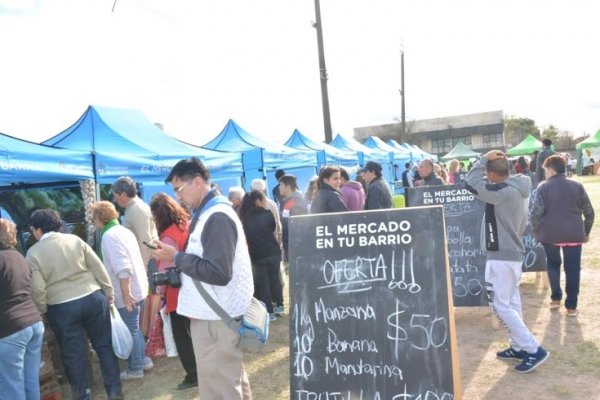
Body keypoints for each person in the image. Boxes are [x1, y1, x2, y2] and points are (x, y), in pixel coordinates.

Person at [150, 157, 254, 400]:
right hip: (215, 314)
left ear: (197, 182)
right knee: (229, 381)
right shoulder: (210, 212)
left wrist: (176, 257)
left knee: (220, 388)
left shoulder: (216, 216)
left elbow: (218, 272)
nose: (177, 196)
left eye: (178, 189)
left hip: (215, 317)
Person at [465, 150, 549, 373]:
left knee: (499, 304)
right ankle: (519, 346)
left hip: (501, 256)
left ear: (492, 175)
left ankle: (533, 349)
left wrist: (483, 157)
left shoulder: (501, 192)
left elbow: (470, 183)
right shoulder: (518, 185)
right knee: (511, 302)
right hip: (510, 255)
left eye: (487, 173)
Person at [26, 209, 123, 400]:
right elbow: (98, 267)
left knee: (73, 354)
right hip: (92, 296)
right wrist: (108, 292)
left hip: (61, 306)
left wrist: (42, 309)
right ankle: (114, 391)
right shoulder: (75, 240)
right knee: (104, 346)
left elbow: (38, 288)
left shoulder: (33, 253)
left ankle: (83, 394)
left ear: (38, 230)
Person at [91, 201, 151, 380]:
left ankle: (136, 368)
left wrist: (125, 293)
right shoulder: (123, 231)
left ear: (99, 218)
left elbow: (122, 267)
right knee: (135, 327)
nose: (93, 223)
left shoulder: (109, 236)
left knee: (131, 328)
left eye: (93, 219)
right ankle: (143, 361)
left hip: (128, 290)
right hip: (138, 287)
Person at [530, 155, 594, 317]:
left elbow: (535, 214)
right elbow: (590, 213)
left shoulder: (543, 188)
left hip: (550, 235)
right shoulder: (577, 185)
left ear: (550, 169)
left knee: (552, 265)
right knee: (573, 269)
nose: (544, 173)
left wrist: (537, 232)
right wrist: (585, 233)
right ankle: (571, 307)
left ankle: (555, 299)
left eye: (545, 170)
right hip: (574, 234)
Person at [149, 193, 198, 391]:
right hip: (191, 284)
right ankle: (200, 369)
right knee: (193, 332)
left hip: (176, 290)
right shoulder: (184, 225)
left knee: (182, 335)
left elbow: (166, 268)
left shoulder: (168, 234)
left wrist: (159, 292)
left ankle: (193, 374)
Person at [0, 218, 44, 400]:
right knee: (30, 381)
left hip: (10, 327)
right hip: (33, 322)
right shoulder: (18, 256)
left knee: (11, 386)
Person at [239, 190, 284, 320]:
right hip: (273, 251)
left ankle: (269, 312)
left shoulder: (243, 218)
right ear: (257, 201)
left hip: (257, 254)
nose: (265, 202)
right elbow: (272, 229)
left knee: (263, 283)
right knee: (275, 279)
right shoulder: (268, 214)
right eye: (263, 199)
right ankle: (280, 305)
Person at [111, 176, 158, 269]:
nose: (115, 200)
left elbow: (145, 241)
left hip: (146, 262)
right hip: (144, 261)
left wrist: (142, 268)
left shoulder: (136, 209)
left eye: (115, 196)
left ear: (124, 195)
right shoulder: (133, 207)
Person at [278, 174, 308, 262]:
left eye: (281, 185)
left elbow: (299, 223)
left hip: (296, 244)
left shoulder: (295, 201)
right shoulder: (289, 201)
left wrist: (293, 243)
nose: (279, 188)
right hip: (291, 243)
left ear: (288, 187)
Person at [250, 178, 282, 247]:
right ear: (264, 190)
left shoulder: (248, 204)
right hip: (271, 243)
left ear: (251, 190)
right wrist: (278, 240)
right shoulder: (272, 204)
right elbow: (277, 223)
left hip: (256, 245)